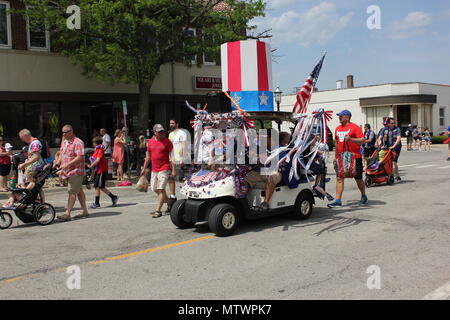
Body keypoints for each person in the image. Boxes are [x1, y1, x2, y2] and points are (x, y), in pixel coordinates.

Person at [328, 110, 367, 208]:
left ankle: (363, 195)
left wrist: (351, 139)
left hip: (355, 157)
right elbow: (337, 143)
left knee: (358, 178)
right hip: (341, 158)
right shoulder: (337, 128)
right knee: (339, 178)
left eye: (341, 116)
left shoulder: (355, 127)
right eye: (339, 116)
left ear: (347, 117)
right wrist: (336, 157)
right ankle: (338, 200)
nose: (339, 118)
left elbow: (362, 140)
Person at [54, 125, 89, 221]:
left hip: (76, 170)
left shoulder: (77, 142)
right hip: (67, 171)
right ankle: (84, 211)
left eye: (66, 132)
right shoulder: (65, 142)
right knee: (79, 190)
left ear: (71, 131)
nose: (64, 134)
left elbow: (80, 157)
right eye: (62, 132)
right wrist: (57, 161)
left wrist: (66, 165)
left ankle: (67, 213)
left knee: (72, 191)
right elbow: (61, 153)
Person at [141, 124, 175, 218]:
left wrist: (173, 170)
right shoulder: (150, 142)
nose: (162, 133)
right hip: (154, 169)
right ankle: (169, 202)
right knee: (154, 189)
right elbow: (148, 157)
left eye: (163, 131)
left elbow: (172, 156)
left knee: (161, 189)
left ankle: (158, 211)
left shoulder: (167, 142)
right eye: (159, 132)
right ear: (154, 132)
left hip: (164, 168)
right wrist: (144, 168)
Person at [88, 136, 119, 209]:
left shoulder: (99, 150)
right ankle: (97, 203)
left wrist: (92, 165)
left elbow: (98, 160)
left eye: (93, 143)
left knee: (101, 186)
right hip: (98, 170)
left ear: (95, 143)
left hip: (102, 170)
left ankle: (113, 197)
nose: (93, 144)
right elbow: (94, 159)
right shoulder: (96, 150)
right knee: (96, 186)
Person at [17, 129, 46, 201]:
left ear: (25, 136)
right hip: (33, 167)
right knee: (38, 187)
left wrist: (25, 164)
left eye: (22, 138)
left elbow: (36, 157)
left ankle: (25, 197)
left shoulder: (35, 143)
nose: (23, 140)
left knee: (31, 183)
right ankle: (42, 203)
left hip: (35, 168)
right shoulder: (33, 143)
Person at [168, 118, 188, 205]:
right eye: (170, 123)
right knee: (171, 179)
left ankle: (185, 199)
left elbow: (184, 146)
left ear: (177, 124)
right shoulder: (170, 134)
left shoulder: (182, 133)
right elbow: (169, 147)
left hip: (179, 160)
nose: (171, 125)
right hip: (172, 160)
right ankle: (173, 197)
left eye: (172, 123)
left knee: (180, 180)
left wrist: (182, 158)